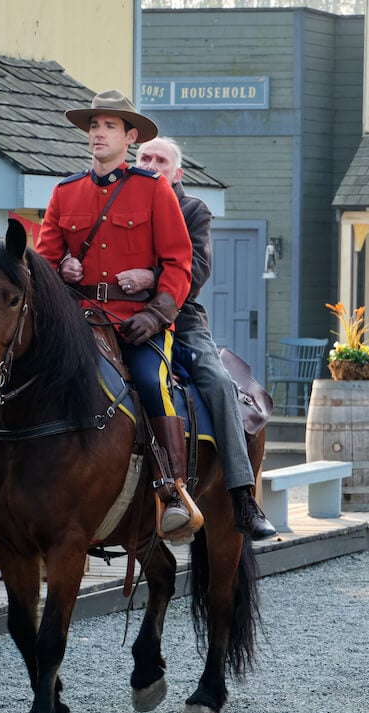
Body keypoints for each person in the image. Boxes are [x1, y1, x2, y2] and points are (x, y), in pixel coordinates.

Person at [0, 90, 202, 543]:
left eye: (108, 126)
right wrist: (58, 269)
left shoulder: (153, 189)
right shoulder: (65, 192)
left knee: (150, 381)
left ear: (130, 137)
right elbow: (38, 269)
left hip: (135, 322)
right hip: (77, 320)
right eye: (93, 126)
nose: (98, 134)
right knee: (15, 380)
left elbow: (180, 263)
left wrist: (159, 313)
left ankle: (171, 488)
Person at [117, 135, 275, 540]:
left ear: (178, 172)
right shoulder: (119, 201)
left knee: (218, 382)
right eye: (145, 157)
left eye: (161, 160)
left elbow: (197, 270)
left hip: (181, 319)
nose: (152, 164)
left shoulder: (192, 209)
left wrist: (151, 278)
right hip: (113, 315)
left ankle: (242, 495)